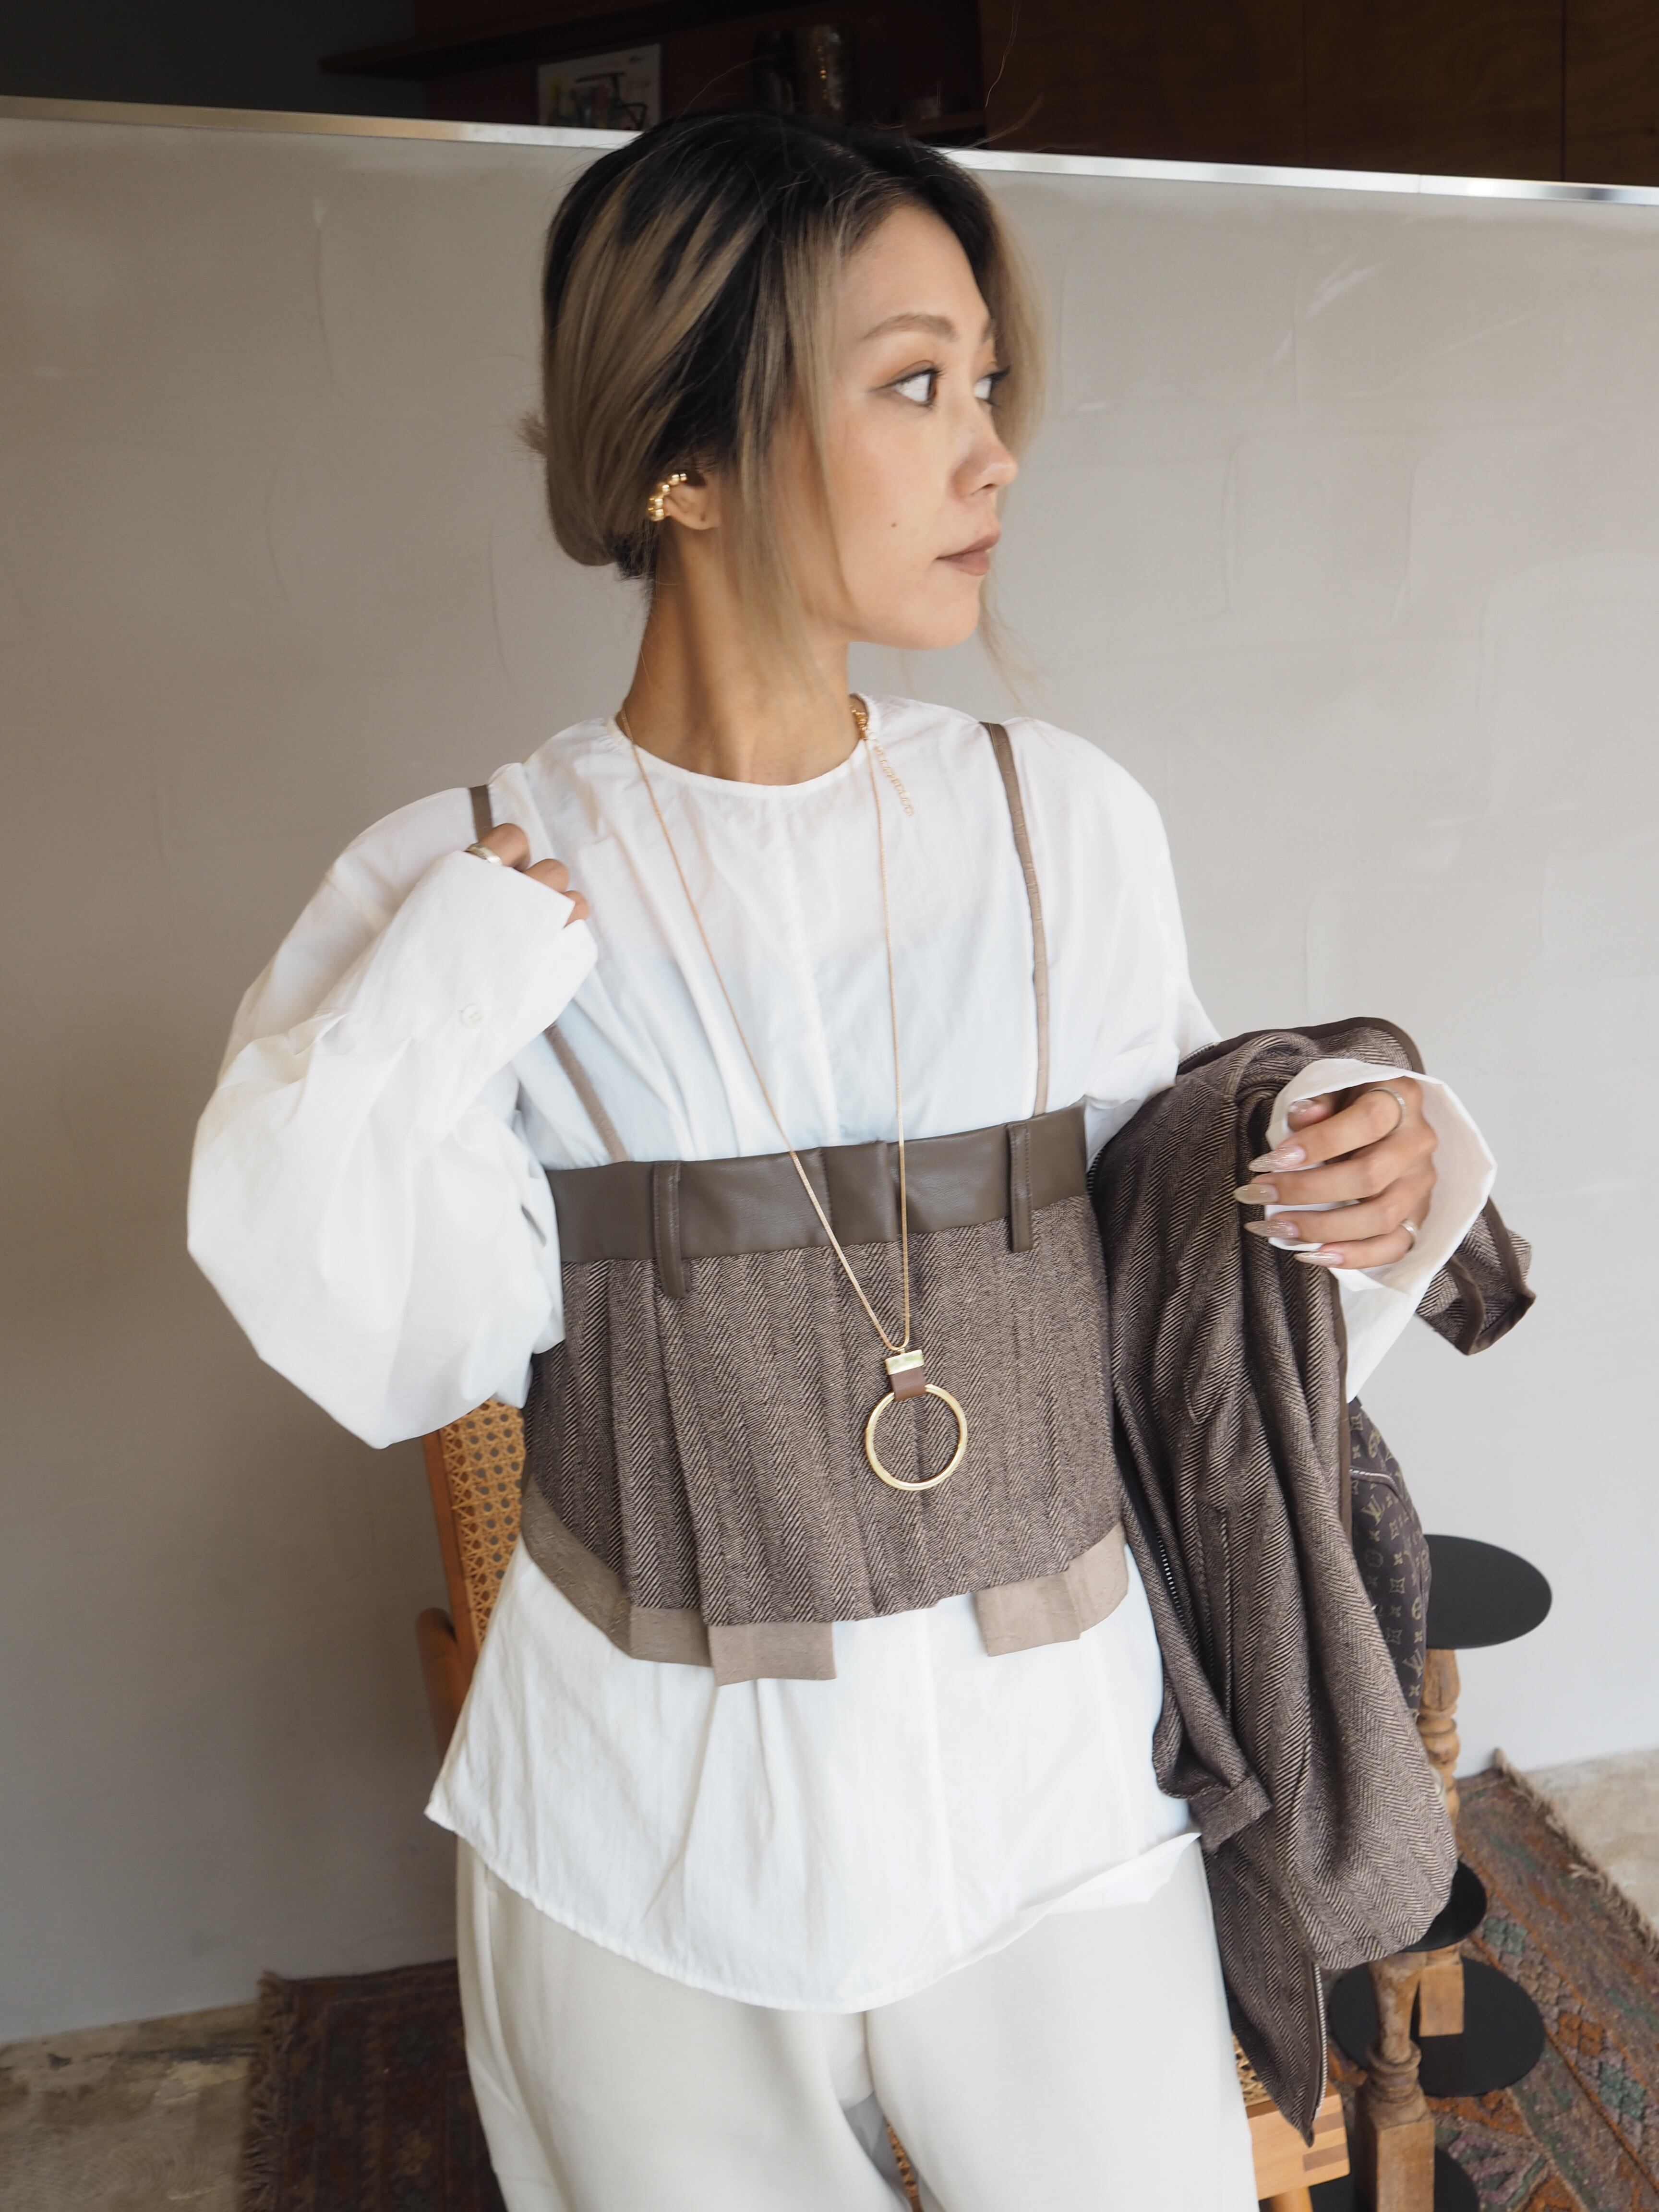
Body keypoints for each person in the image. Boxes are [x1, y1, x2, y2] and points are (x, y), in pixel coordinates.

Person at [189, 111, 1492, 2211]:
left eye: (990, 383)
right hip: (645, 1844)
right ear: (683, 460)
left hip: (1057, 1804)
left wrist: (1351, 1154)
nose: (995, 453)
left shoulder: (1062, 824)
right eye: (915, 385)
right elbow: (383, 1335)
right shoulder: (465, 877)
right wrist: (446, 982)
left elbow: (1182, 1260)